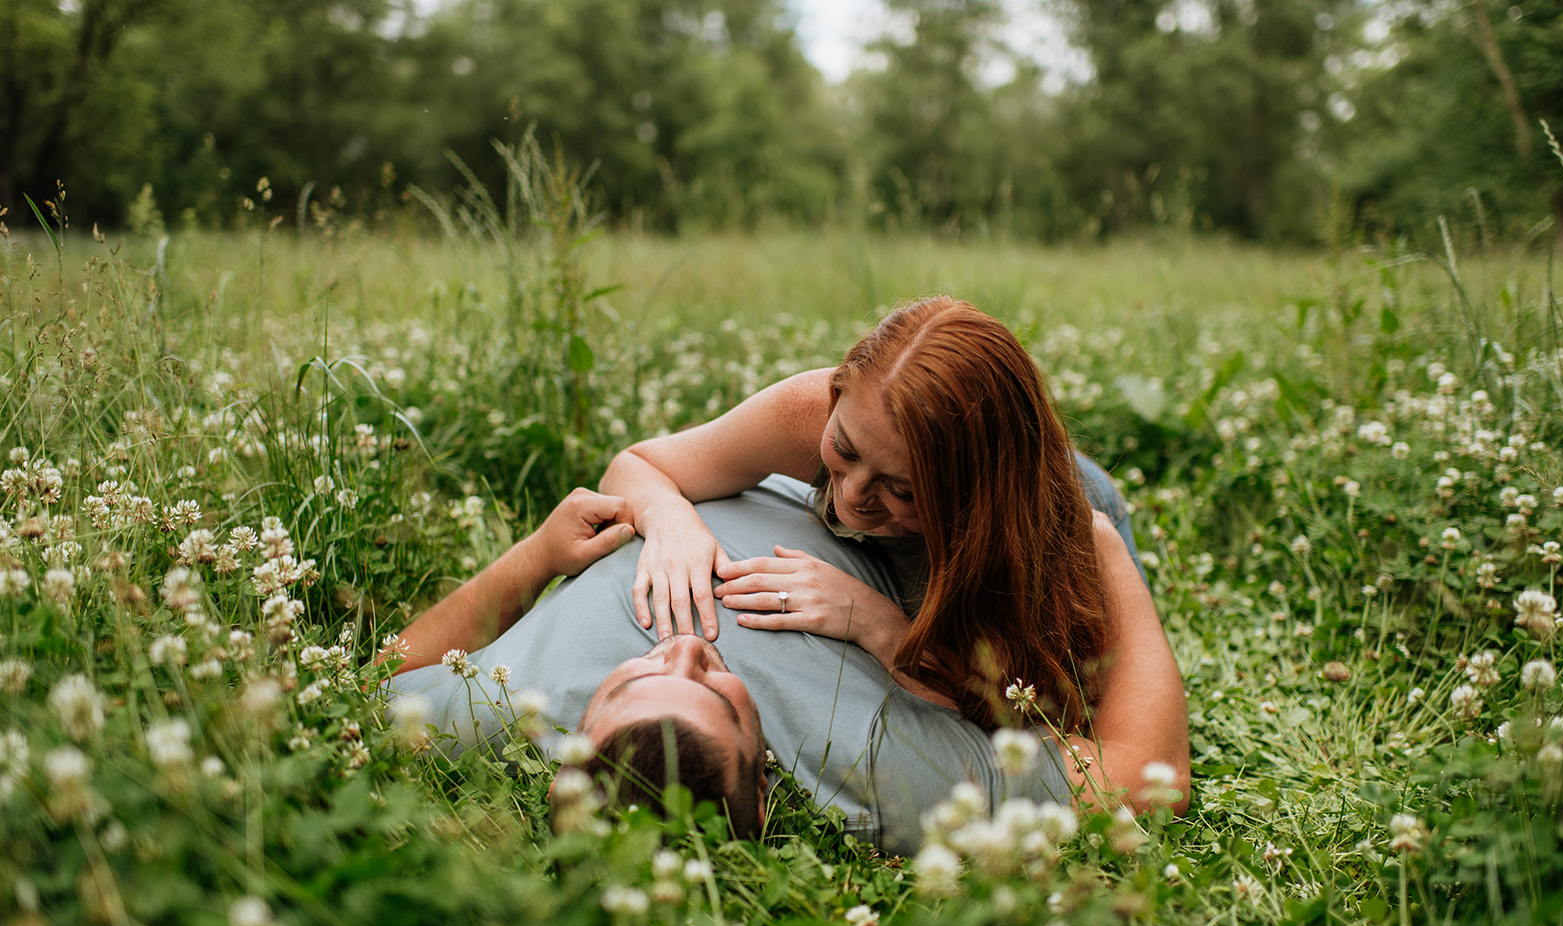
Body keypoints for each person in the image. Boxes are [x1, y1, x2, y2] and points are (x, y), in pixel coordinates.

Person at [388, 471, 1188, 853]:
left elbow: (388, 672)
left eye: (633, 677)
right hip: (988, 509)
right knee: (1073, 494)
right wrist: (1104, 548)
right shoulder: (873, 768)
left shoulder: (505, 705)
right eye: (722, 696)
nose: (686, 648)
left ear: (571, 740)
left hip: (799, 465)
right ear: (764, 788)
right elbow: (1145, 774)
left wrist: (534, 556)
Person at [601, 295, 1171, 736]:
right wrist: (670, 519)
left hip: (1075, 495)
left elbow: (1043, 721)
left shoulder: (1059, 545)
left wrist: (879, 624)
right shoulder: (811, 412)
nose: (851, 496)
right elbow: (636, 465)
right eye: (843, 452)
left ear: (975, 501)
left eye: (902, 490)